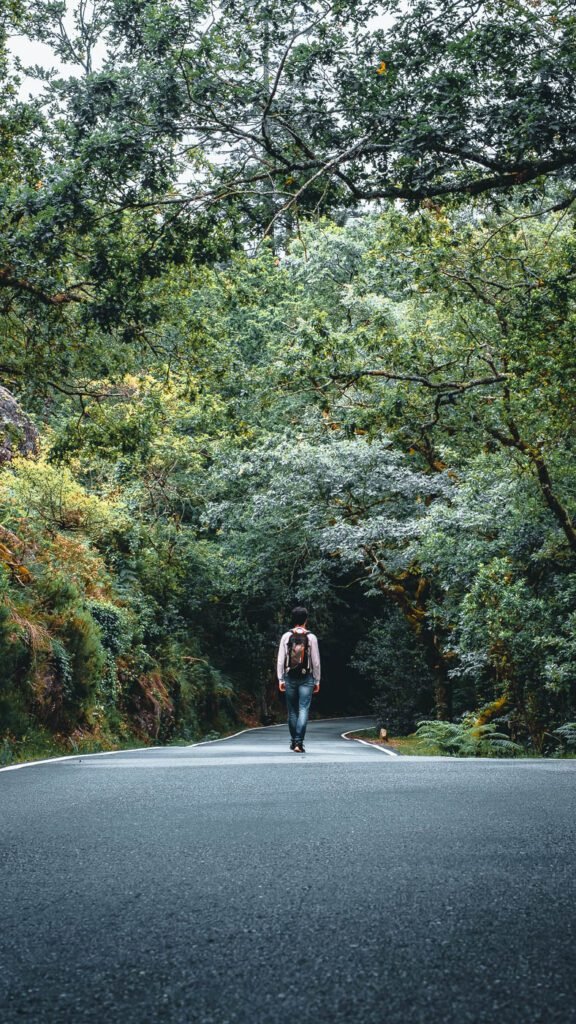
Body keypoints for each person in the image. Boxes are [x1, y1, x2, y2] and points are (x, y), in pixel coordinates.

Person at [277, 606, 321, 753]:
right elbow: (315, 662)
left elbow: (280, 660)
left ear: (293, 619)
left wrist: (280, 679)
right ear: (305, 620)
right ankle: (299, 743)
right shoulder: (311, 637)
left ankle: (294, 741)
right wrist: (317, 680)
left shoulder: (286, 636)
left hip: (289, 677)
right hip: (306, 678)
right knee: (303, 709)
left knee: (292, 712)